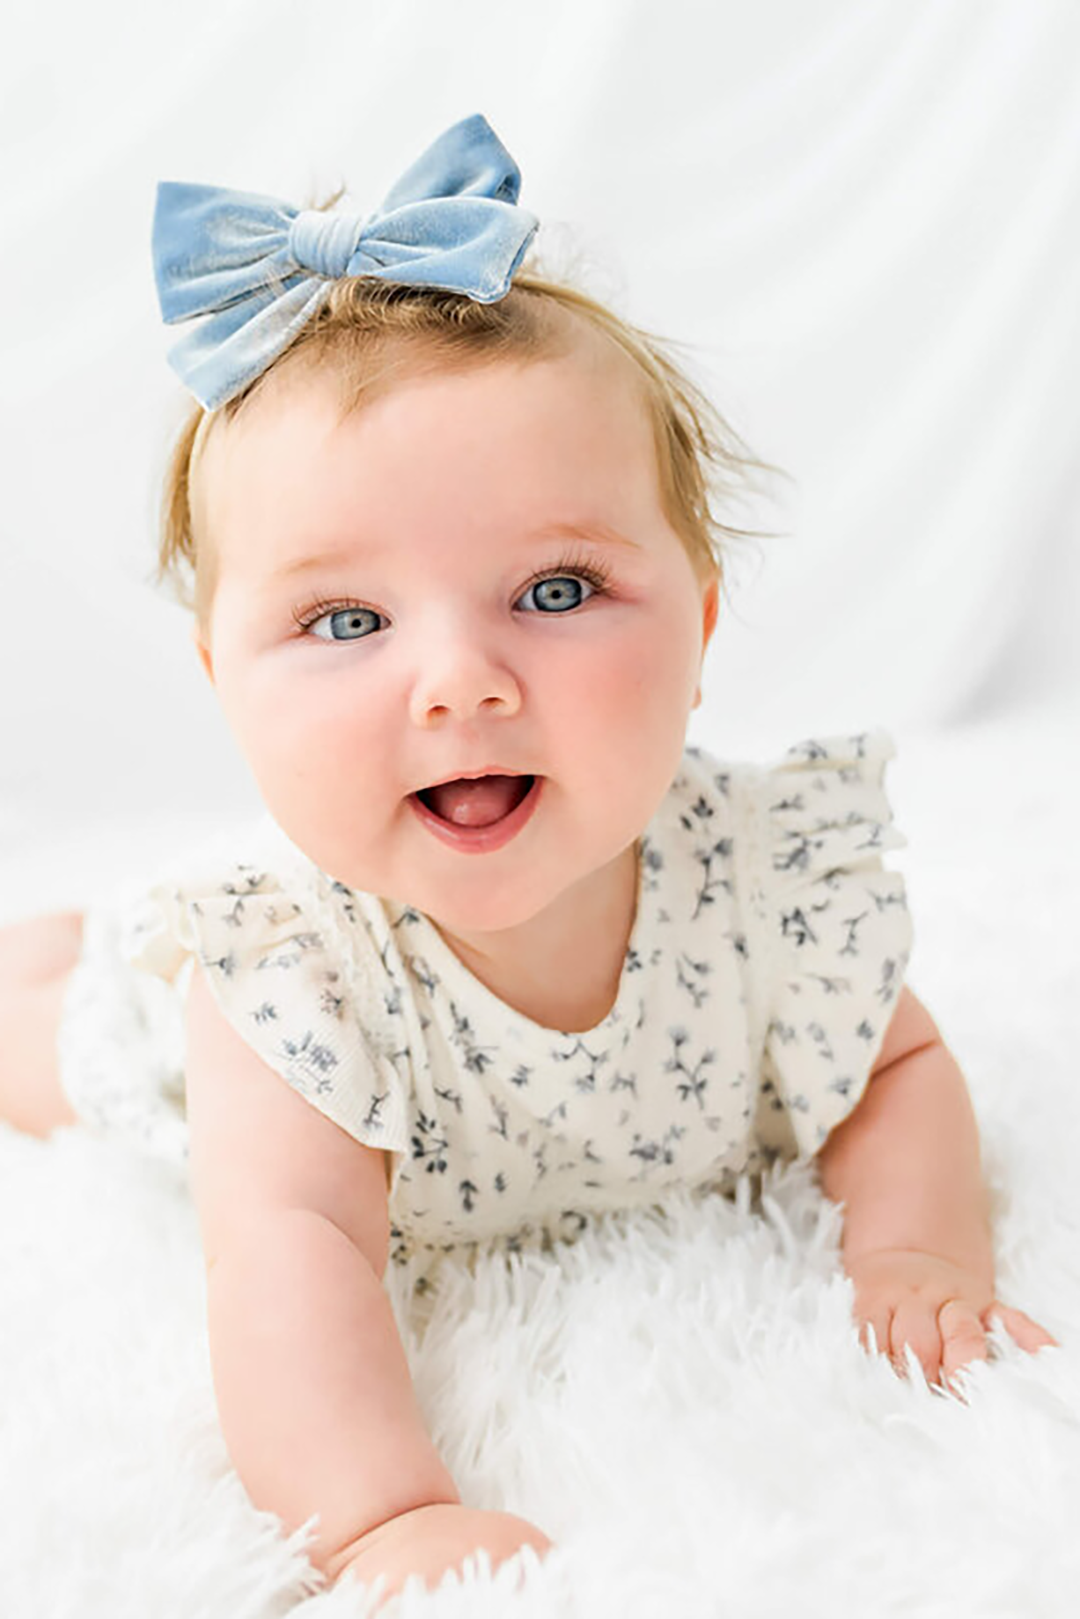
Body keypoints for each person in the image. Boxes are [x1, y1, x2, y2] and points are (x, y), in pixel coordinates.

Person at [0, 114, 1057, 1607]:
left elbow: (895, 1074)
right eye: (348, 622)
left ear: (695, 628)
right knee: (56, 1036)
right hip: (173, 1041)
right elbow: (287, 1259)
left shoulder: (761, 882)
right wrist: (379, 1516)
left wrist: (913, 1253)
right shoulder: (284, 987)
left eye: (556, 589)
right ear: (223, 678)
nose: (460, 683)